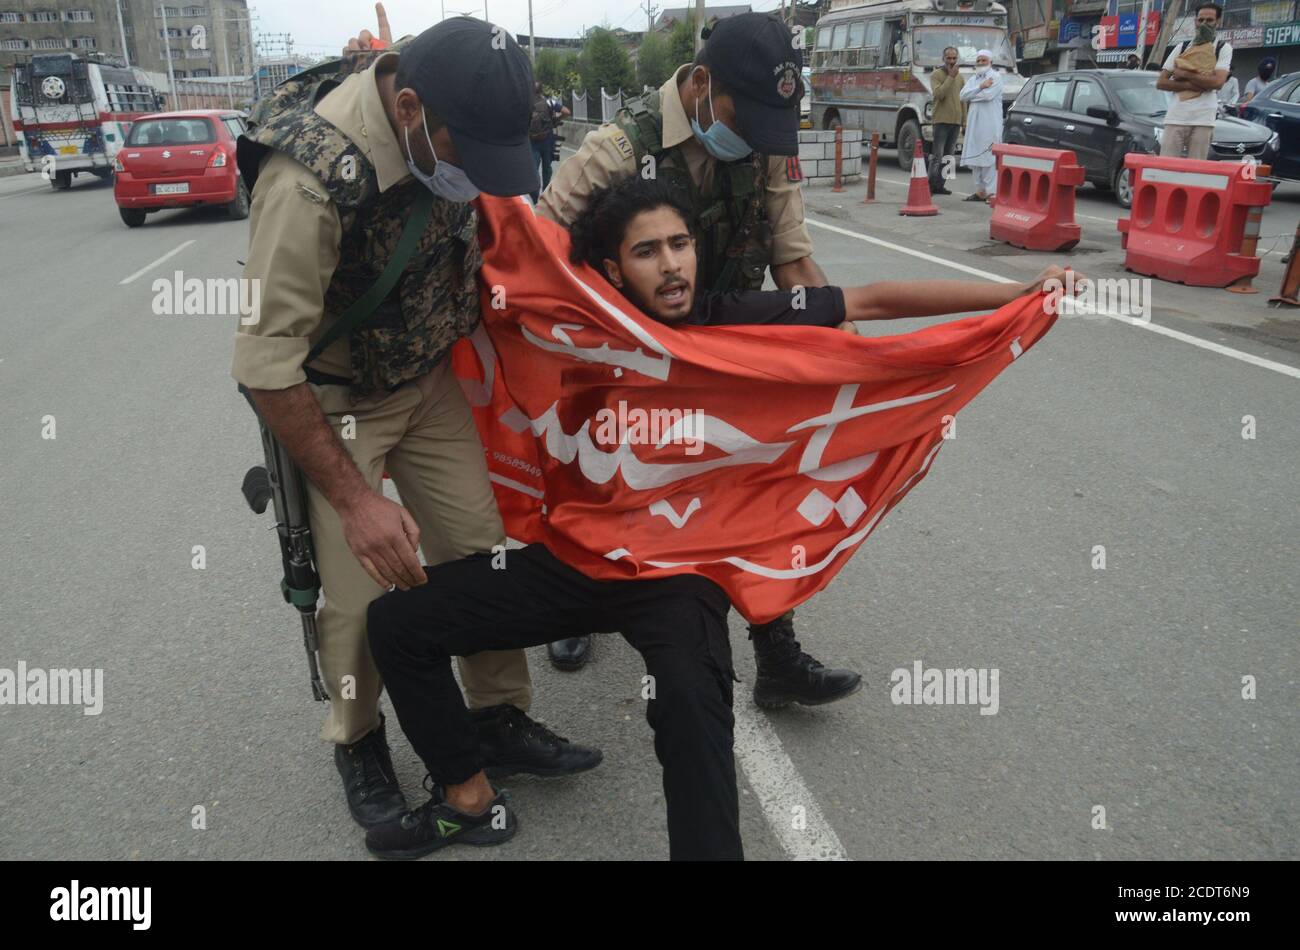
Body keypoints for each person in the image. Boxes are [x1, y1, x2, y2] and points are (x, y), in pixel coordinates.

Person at [362, 175, 1074, 861]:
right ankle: (468, 797)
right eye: (647, 251)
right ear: (612, 268)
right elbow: (489, 259)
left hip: (678, 571)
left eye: (681, 243)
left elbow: (876, 297)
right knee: (398, 625)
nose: (673, 265)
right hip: (575, 562)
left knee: (690, 707)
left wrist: (1017, 293)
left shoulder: (730, 316)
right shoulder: (574, 322)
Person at [231, 14, 601, 831]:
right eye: (464, 148)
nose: (475, 172)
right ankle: (357, 739)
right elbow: (263, 364)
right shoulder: (306, 182)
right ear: (408, 111)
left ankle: (497, 715)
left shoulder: (448, 141)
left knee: (481, 557)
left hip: (425, 380)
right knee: (366, 594)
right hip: (335, 402)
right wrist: (358, 505)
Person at [532, 12, 854, 698]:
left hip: (719, 351)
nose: (759, 137)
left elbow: (793, 261)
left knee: (752, 484)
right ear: (702, 84)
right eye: (749, 116)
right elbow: (538, 263)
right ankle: (575, 605)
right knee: (601, 484)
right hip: (623, 362)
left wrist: (851, 362)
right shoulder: (618, 150)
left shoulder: (762, 143)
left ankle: (777, 653)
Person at [1156, 3, 1232, 161]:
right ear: (1195, 21)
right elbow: (1161, 83)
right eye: (1200, 20)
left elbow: (1217, 82)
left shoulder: (1222, 48)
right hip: (1176, 116)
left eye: (1209, 20)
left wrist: (1184, 73)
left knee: (1196, 170)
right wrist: (1198, 84)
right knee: (1166, 167)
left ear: (1218, 22)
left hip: (1204, 119)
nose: (1204, 24)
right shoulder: (1182, 47)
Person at [959, 49, 1004, 204]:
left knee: (988, 157)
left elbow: (988, 96)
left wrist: (975, 94)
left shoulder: (996, 77)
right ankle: (980, 191)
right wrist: (980, 86)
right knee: (975, 156)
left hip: (989, 125)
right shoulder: (974, 79)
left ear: (990, 62)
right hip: (974, 125)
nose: (980, 63)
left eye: (983, 60)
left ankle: (991, 193)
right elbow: (962, 96)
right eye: (978, 60)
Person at [928, 46, 963, 196]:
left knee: (949, 157)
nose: (951, 61)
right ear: (943, 59)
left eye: (954, 58)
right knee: (938, 155)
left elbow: (963, 100)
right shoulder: (936, 74)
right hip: (941, 121)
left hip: (955, 121)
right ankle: (930, 185)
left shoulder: (960, 78)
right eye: (948, 58)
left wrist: (965, 121)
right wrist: (950, 77)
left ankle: (941, 185)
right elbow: (939, 94)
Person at [527, 81, 566, 203]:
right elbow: (566, 112)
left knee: (533, 171)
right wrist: (556, 119)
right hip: (548, 140)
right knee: (547, 168)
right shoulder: (549, 102)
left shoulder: (526, 104)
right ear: (542, 91)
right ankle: (545, 195)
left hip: (532, 142)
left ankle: (535, 198)